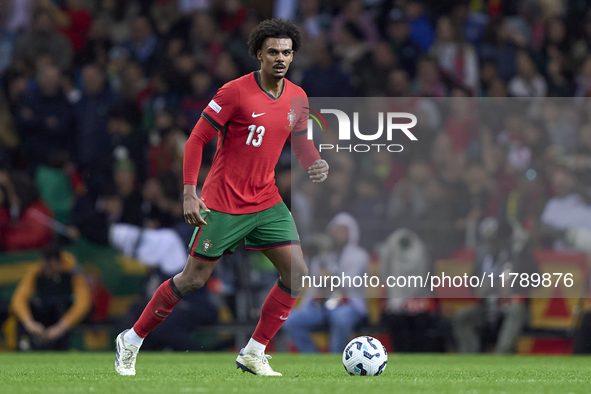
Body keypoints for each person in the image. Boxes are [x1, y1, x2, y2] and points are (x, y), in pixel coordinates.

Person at [115, 19, 328, 377]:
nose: (280, 58)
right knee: (192, 280)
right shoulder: (234, 92)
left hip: (267, 200)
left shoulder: (298, 97)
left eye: (287, 53)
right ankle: (132, 339)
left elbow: (302, 145)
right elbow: (196, 139)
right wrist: (189, 193)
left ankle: (254, 351)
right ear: (259, 53)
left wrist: (314, 162)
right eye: (273, 51)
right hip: (223, 202)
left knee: (297, 273)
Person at [283, 213, 368, 353]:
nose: (339, 234)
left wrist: (331, 277)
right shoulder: (323, 255)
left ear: (351, 233)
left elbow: (350, 282)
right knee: (290, 321)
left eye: (343, 231)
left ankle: (336, 360)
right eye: (336, 230)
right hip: (322, 305)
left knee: (340, 318)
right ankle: (313, 358)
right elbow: (315, 282)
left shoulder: (359, 255)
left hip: (348, 304)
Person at [10, 242, 91, 350]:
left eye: (51, 266)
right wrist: (29, 323)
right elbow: (19, 299)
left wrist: (60, 328)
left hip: (64, 317)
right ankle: (25, 349)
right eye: (45, 265)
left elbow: (83, 304)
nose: (48, 270)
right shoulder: (37, 270)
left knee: (63, 308)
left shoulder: (74, 272)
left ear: (58, 262)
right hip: (45, 313)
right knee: (27, 309)